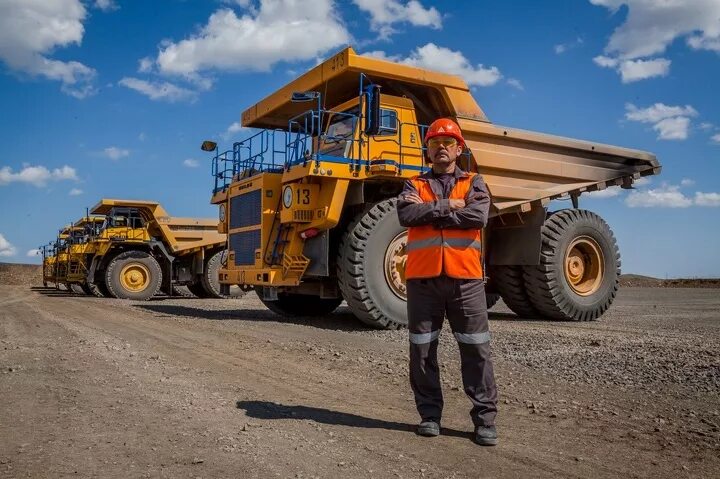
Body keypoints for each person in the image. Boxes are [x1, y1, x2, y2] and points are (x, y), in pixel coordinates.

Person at [396, 118, 498, 446]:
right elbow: (406, 216)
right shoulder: (413, 183)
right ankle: (429, 416)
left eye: (448, 142)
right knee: (422, 349)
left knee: (476, 348)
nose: (442, 146)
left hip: (465, 280)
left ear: (459, 149)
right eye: (435, 142)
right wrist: (449, 206)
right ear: (427, 148)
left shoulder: (474, 183)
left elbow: (477, 217)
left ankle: (484, 420)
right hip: (423, 280)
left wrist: (433, 212)